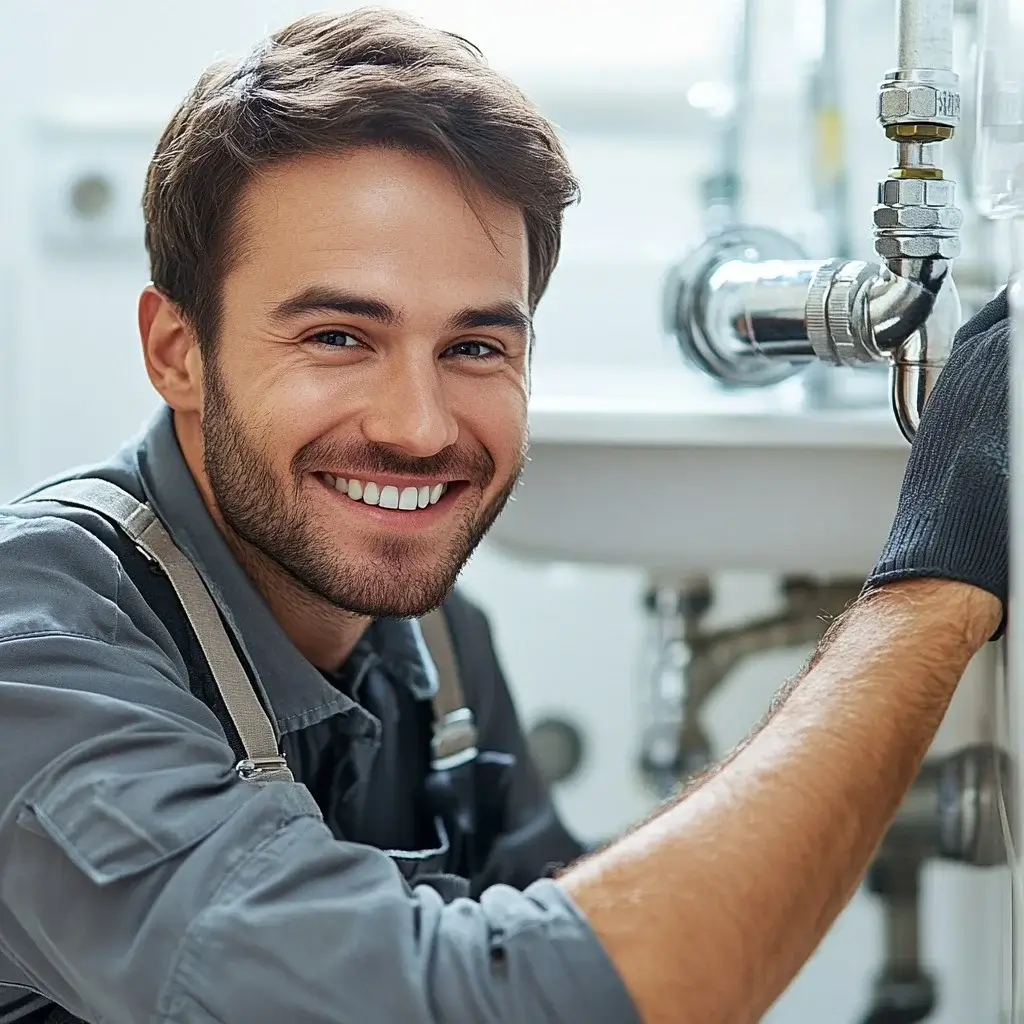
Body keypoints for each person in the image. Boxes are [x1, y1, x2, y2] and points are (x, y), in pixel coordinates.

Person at [0, 8, 1008, 1023]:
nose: (418, 427)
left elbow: (556, 938)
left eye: (475, 347)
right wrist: (928, 592)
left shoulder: (433, 646)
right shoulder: (33, 649)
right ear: (178, 350)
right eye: (339, 335)